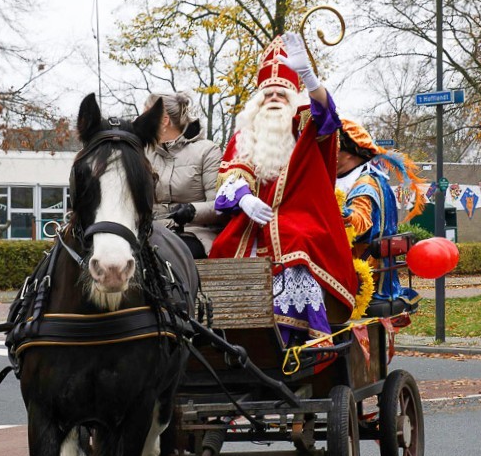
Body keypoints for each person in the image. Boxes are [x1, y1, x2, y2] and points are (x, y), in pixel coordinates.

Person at [209, 32, 358, 346]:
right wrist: (243, 197)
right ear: (257, 101)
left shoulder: (304, 125)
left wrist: (308, 77)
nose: (273, 99)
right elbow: (229, 181)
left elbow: (327, 118)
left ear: (293, 99)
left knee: (295, 238)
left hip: (303, 218)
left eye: (281, 94)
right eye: (268, 94)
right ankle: (225, 332)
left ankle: (296, 335)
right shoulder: (245, 135)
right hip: (251, 223)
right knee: (220, 249)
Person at [336, 119, 425, 312]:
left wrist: (337, 214)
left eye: (334, 148)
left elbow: (359, 223)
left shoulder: (365, 184)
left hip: (361, 275)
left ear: (352, 153)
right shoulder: (357, 179)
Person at [144, 91, 224, 258]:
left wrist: (192, 211)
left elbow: (219, 205)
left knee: (166, 254)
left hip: (193, 233)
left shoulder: (207, 151)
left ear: (164, 120)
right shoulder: (143, 153)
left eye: (145, 115)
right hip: (149, 233)